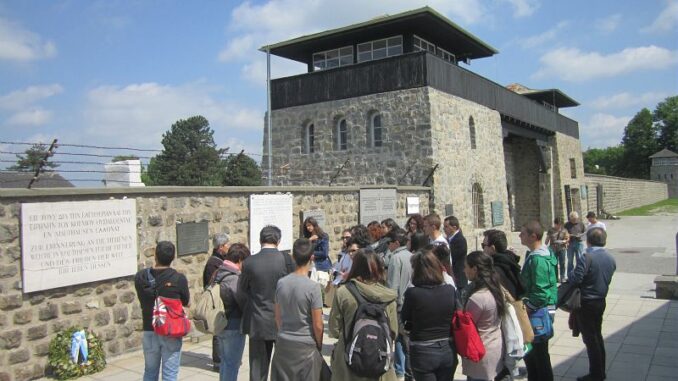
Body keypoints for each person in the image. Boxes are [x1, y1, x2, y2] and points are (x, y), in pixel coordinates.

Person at [328, 248, 399, 381]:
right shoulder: (388, 297)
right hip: (379, 360)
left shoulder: (344, 293)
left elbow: (334, 329)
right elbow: (393, 331)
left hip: (348, 360)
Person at [238, 225, 292, 381]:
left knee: (257, 368)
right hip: (283, 320)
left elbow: (242, 289)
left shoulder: (249, 262)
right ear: (278, 241)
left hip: (258, 319)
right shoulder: (286, 260)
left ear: (260, 240)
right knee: (284, 367)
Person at [134, 241, 190, 381]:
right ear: (173, 257)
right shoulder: (178, 279)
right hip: (170, 330)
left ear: (155, 256)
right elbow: (186, 302)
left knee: (150, 372)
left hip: (149, 328)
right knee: (170, 374)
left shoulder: (141, 277)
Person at [271, 238, 325, 380]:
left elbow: (277, 317)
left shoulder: (281, 283)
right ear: (312, 257)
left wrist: (283, 332)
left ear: (293, 257)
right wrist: (319, 343)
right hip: (305, 344)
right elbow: (318, 324)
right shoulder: (313, 288)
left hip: (284, 342)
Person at [401, 250, 458, 381]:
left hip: (423, 350)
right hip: (447, 348)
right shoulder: (450, 290)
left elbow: (405, 318)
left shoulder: (413, 294)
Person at [571, 228, 616, 381]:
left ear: (588, 241)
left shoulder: (586, 257)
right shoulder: (610, 258)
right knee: (597, 336)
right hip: (600, 301)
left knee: (591, 339)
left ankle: (596, 374)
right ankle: (600, 371)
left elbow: (576, 279)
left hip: (587, 302)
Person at [519, 221, 557, 381]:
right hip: (541, 311)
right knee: (533, 356)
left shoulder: (538, 260)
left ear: (533, 236)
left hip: (536, 314)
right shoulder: (542, 254)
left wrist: (525, 309)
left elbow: (540, 293)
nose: (520, 236)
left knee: (538, 357)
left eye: (523, 233)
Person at [461, 251, 505, 381]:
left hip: (480, 352)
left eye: (466, 267)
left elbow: (467, 326)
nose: (464, 270)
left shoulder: (478, 298)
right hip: (495, 346)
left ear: (474, 269)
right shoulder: (496, 289)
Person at [214, 243, 251, 381]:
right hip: (233, 325)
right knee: (232, 364)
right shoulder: (234, 278)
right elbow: (243, 301)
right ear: (240, 260)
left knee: (225, 362)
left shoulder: (218, 271)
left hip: (219, 322)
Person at [385, 228, 414, 380]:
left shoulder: (396, 259)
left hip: (400, 305)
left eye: (389, 243)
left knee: (399, 340)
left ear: (396, 243)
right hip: (411, 304)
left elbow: (393, 286)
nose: (387, 245)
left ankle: (401, 372)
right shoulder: (411, 256)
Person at [203, 232, 231, 371]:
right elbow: (212, 285)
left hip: (222, 301)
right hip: (217, 303)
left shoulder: (220, 260)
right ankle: (218, 362)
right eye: (227, 245)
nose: (229, 247)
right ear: (220, 247)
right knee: (218, 332)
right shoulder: (213, 263)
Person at [482, 229, 524, 300]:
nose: (482, 249)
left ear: (492, 248)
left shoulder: (494, 270)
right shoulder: (510, 261)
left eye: (483, 245)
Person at [303, 217, 332, 289]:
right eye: (307, 226)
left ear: (314, 224)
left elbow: (324, 253)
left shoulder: (323, 236)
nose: (308, 227)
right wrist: (310, 239)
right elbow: (302, 249)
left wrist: (313, 254)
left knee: (321, 289)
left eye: (309, 225)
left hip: (321, 266)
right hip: (309, 266)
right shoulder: (307, 238)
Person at [444, 215, 468, 289]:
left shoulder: (460, 240)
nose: (444, 229)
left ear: (454, 228)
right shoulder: (449, 239)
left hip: (458, 278)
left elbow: (452, 257)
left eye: (446, 227)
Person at [545, 218, 569, 282]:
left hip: (562, 248)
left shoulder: (564, 230)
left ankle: (562, 277)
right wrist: (545, 246)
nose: (559, 226)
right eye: (557, 225)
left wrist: (565, 241)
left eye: (560, 225)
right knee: (554, 263)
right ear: (555, 224)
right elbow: (547, 239)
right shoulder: (551, 230)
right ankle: (555, 277)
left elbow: (567, 238)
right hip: (553, 249)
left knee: (562, 263)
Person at [564, 211, 586, 280]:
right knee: (570, 260)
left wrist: (581, 235)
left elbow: (584, 233)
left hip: (579, 243)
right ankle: (570, 276)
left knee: (579, 259)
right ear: (570, 218)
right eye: (573, 219)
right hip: (570, 243)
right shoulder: (567, 224)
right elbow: (564, 233)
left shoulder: (581, 224)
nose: (574, 221)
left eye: (575, 219)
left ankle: (579, 275)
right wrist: (568, 235)